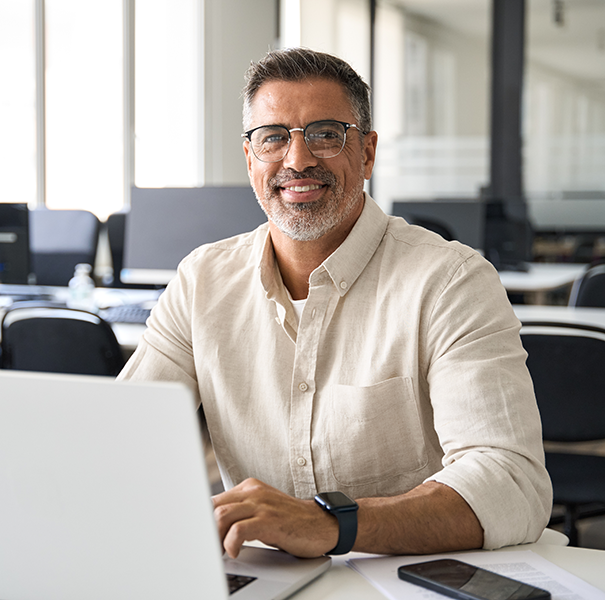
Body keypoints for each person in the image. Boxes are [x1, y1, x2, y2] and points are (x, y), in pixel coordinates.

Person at [118, 47, 551, 558]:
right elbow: (122, 436)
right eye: (273, 137)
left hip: (406, 580)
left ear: (366, 153)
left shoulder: (451, 281)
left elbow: (511, 481)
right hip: (262, 575)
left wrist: (332, 524)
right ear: (251, 157)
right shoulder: (202, 281)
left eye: (325, 135)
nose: (297, 160)